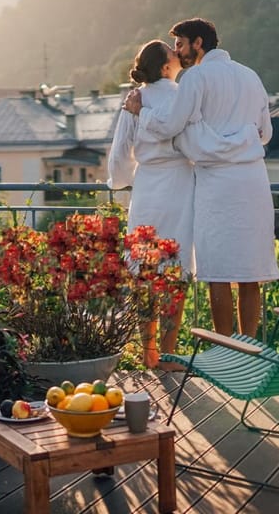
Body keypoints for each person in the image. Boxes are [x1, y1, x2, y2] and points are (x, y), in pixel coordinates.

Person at [123, 18, 278, 338]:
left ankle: (225, 349)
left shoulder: (196, 79)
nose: (177, 52)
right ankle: (248, 348)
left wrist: (143, 112)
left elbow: (169, 126)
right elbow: (266, 134)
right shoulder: (251, 76)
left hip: (216, 183)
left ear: (197, 43)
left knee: (218, 272)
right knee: (251, 273)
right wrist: (240, 139)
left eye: (180, 44)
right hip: (253, 181)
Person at [108, 40, 195, 368]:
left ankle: (149, 354)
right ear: (165, 67)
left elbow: (120, 153)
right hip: (179, 185)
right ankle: (169, 353)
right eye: (174, 54)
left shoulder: (135, 99)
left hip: (146, 188)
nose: (179, 56)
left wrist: (123, 180)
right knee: (175, 271)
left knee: (145, 271)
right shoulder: (181, 96)